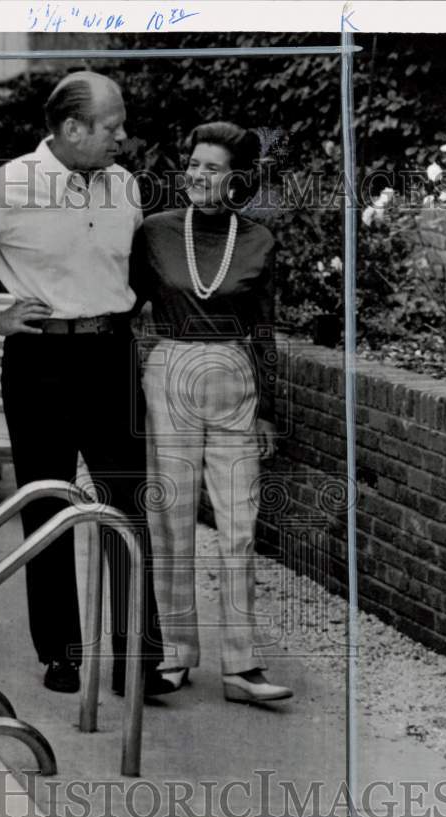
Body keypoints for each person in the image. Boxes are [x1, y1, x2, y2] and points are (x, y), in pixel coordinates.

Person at [0, 71, 174, 698]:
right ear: (71, 128)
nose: (123, 136)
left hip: (111, 359)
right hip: (41, 365)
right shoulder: (9, 185)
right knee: (48, 504)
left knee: (128, 506)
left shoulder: (124, 185)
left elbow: (128, 263)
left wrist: (127, 313)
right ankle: (61, 653)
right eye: (112, 127)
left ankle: (137, 659)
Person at [130, 121, 294, 704]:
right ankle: (174, 655)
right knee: (171, 520)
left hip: (234, 376)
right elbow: (127, 309)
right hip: (170, 370)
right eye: (193, 164)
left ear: (238, 179)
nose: (197, 175)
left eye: (212, 167)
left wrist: (268, 411)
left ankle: (241, 667)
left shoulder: (258, 240)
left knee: (239, 527)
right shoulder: (152, 232)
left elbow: (266, 331)